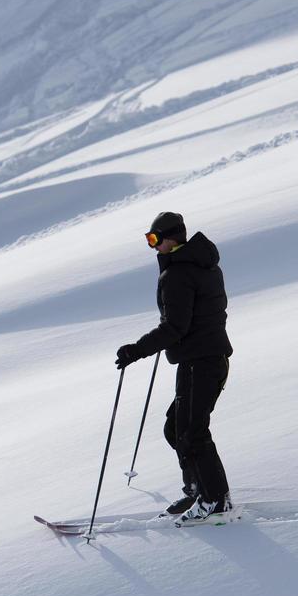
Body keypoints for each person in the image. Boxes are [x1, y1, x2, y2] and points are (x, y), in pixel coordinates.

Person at [115, 211, 234, 520]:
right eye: (149, 241)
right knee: (177, 428)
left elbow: (175, 328)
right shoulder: (203, 265)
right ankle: (197, 491)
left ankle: (216, 501)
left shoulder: (178, 274)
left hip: (200, 361)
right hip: (206, 359)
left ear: (171, 238)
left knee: (193, 432)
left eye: (154, 239)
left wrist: (136, 350)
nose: (153, 247)